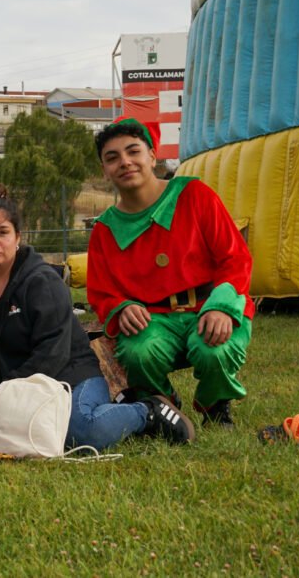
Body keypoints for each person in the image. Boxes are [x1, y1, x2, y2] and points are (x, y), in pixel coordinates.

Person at [0, 191, 194, 450]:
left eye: (3, 232)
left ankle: (147, 410)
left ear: (18, 237)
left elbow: (53, 353)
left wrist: (1, 390)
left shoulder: (41, 282)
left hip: (68, 376)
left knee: (81, 432)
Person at [88, 118, 253, 428]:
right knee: (138, 351)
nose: (125, 162)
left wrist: (220, 305)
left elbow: (235, 258)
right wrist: (121, 307)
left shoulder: (194, 195)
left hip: (209, 306)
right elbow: (100, 292)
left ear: (152, 155)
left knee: (213, 349)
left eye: (133, 151)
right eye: (112, 157)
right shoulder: (105, 229)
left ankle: (215, 407)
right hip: (155, 320)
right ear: (104, 170)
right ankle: (163, 406)